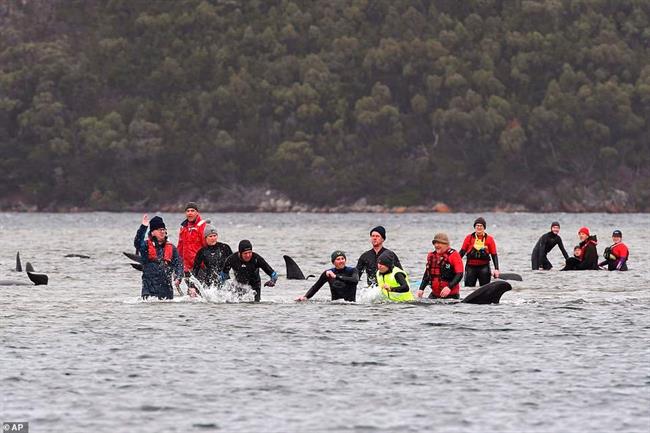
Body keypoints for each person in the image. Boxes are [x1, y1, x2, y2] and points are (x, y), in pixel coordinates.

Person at [133, 214, 183, 300]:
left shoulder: (171, 248)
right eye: (159, 230)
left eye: (163, 229)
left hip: (167, 291)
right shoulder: (145, 246)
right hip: (149, 290)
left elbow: (179, 264)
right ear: (152, 232)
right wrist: (143, 227)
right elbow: (137, 243)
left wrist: (178, 277)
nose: (162, 232)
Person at [417, 233, 464, 299]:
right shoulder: (431, 256)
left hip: (451, 296)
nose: (436, 245)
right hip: (434, 295)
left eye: (439, 243)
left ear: (446, 245)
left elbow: (460, 274)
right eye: (435, 243)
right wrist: (421, 288)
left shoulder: (454, 255)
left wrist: (449, 287)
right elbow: (427, 274)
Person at [177, 202, 209, 295]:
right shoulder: (183, 227)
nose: (190, 213)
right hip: (187, 267)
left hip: (200, 267)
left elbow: (207, 245)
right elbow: (180, 246)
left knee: (199, 294)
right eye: (187, 211)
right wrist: (178, 263)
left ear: (197, 212)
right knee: (192, 294)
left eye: (192, 211)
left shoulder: (203, 226)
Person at [459, 217, 499, 287]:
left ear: (484, 228)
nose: (479, 227)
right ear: (475, 227)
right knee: (468, 289)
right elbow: (462, 252)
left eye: (481, 226)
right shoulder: (469, 238)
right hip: (470, 267)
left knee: (485, 289)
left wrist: (496, 269)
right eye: (477, 226)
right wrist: (454, 265)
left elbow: (494, 254)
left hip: (484, 268)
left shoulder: (489, 239)